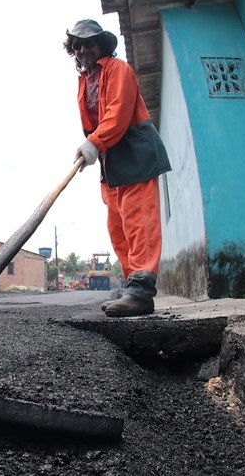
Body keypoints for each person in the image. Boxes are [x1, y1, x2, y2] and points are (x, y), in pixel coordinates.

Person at [64, 19, 171, 317]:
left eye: (89, 43)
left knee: (139, 221)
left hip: (133, 148)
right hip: (111, 156)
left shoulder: (118, 69)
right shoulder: (85, 80)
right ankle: (132, 290)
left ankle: (141, 290)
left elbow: (119, 113)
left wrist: (95, 142)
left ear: (103, 45)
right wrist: (92, 145)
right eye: (77, 45)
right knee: (118, 226)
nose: (82, 49)